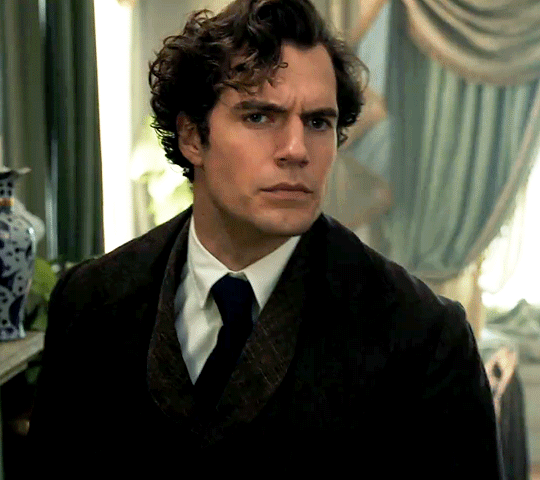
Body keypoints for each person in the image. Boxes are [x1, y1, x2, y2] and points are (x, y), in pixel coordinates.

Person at [28, 0, 504, 477]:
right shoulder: (89, 303)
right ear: (192, 137)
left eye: (318, 122)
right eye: (259, 117)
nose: (297, 150)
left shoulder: (422, 336)